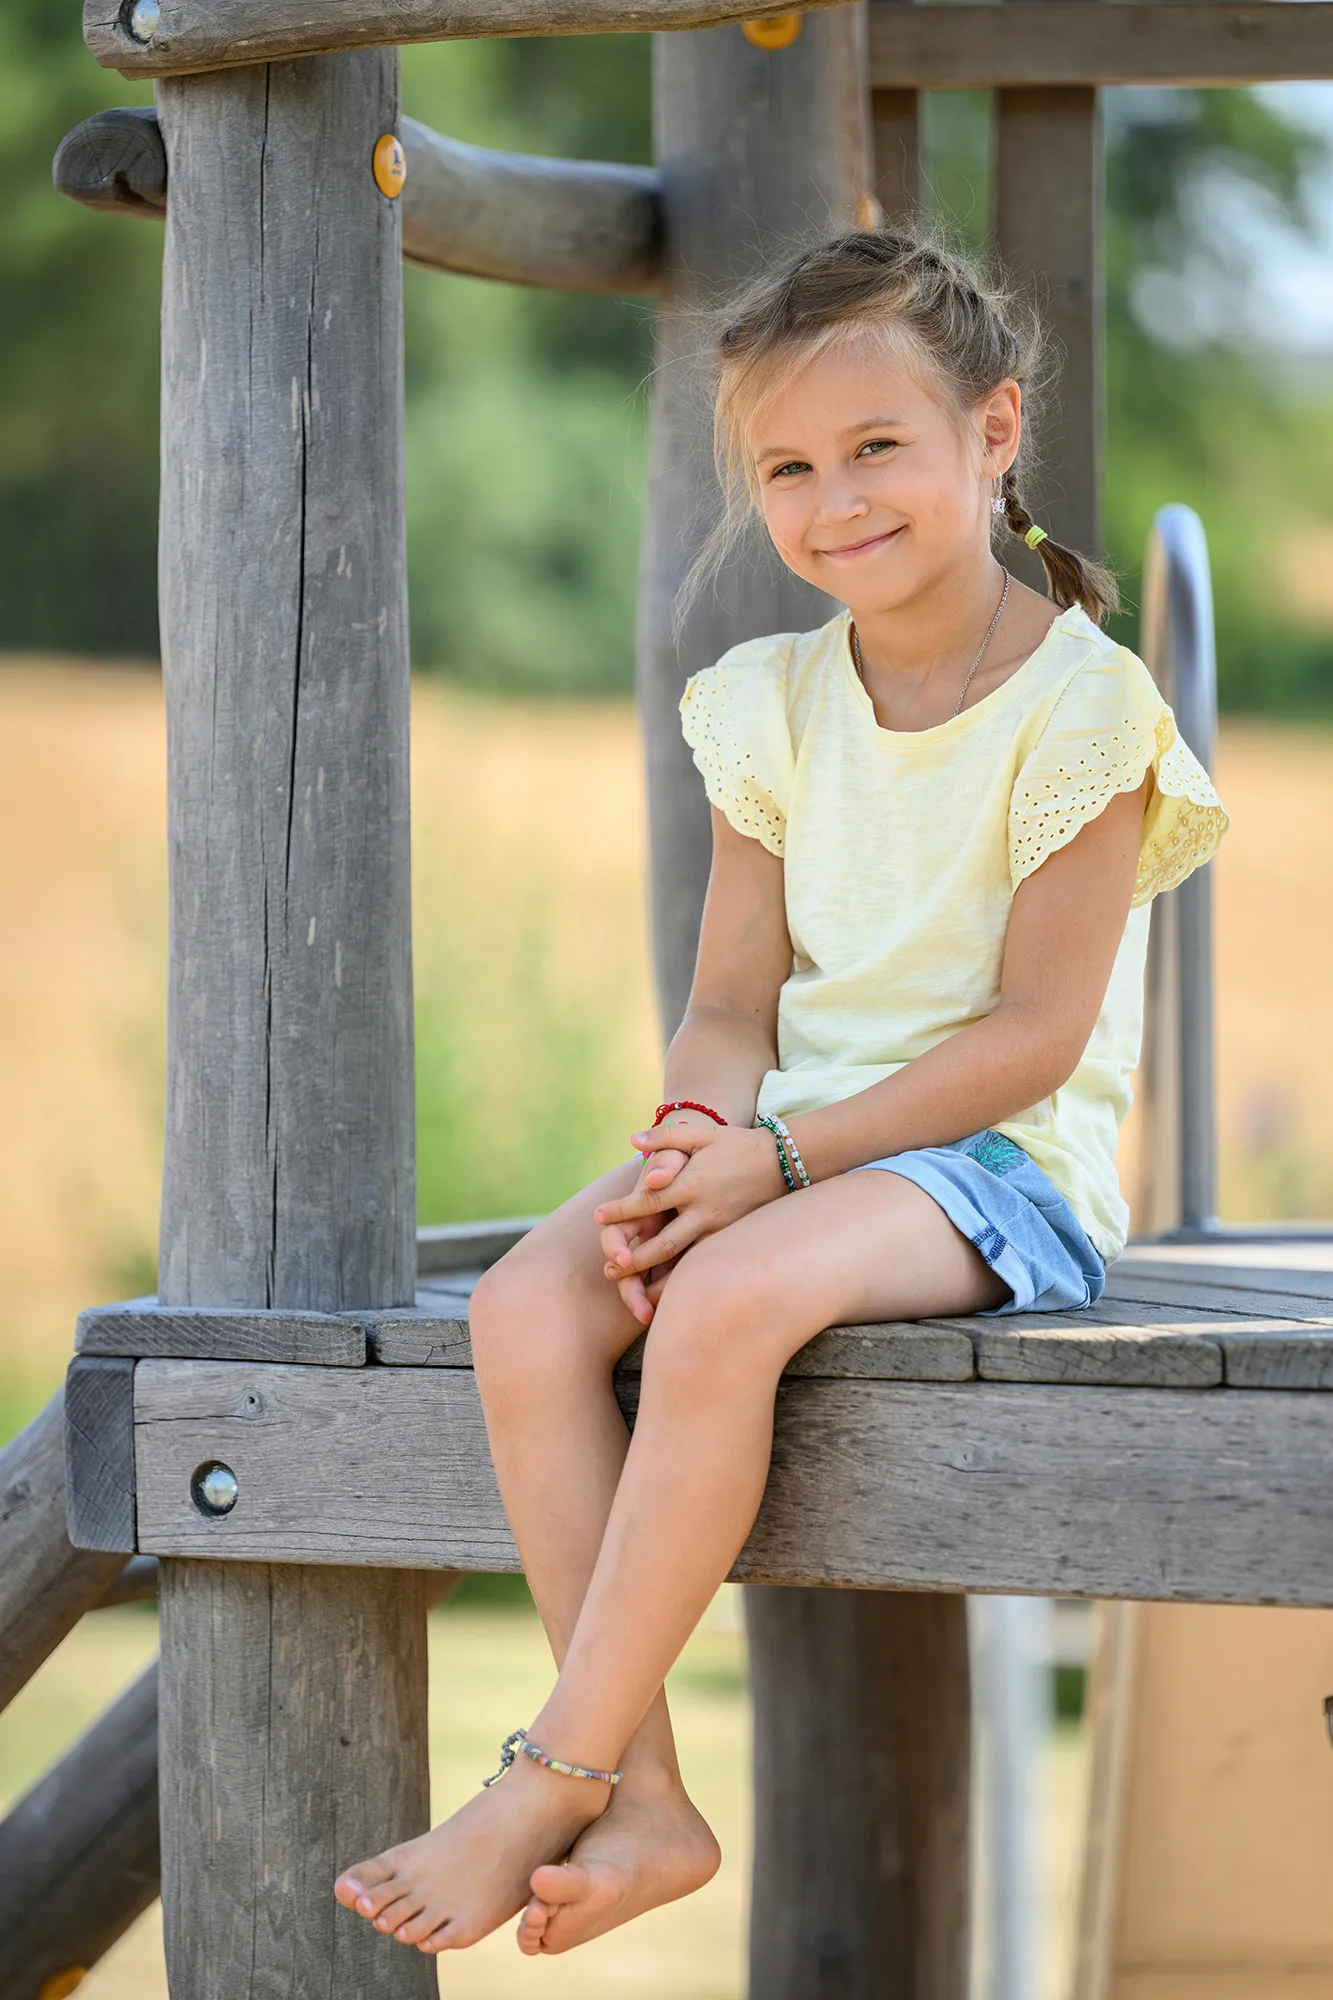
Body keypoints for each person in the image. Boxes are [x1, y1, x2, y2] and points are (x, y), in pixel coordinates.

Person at [333, 224, 1229, 1960]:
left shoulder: (1085, 711)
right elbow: (734, 1001)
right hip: (786, 1144)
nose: (836, 503)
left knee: (724, 1300)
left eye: (877, 447)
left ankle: (548, 1763)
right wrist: (693, 1145)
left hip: (991, 1167)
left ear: (994, 432)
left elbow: (1038, 1036)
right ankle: (651, 1795)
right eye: (789, 469)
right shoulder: (771, 703)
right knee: (531, 1306)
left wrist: (778, 1166)